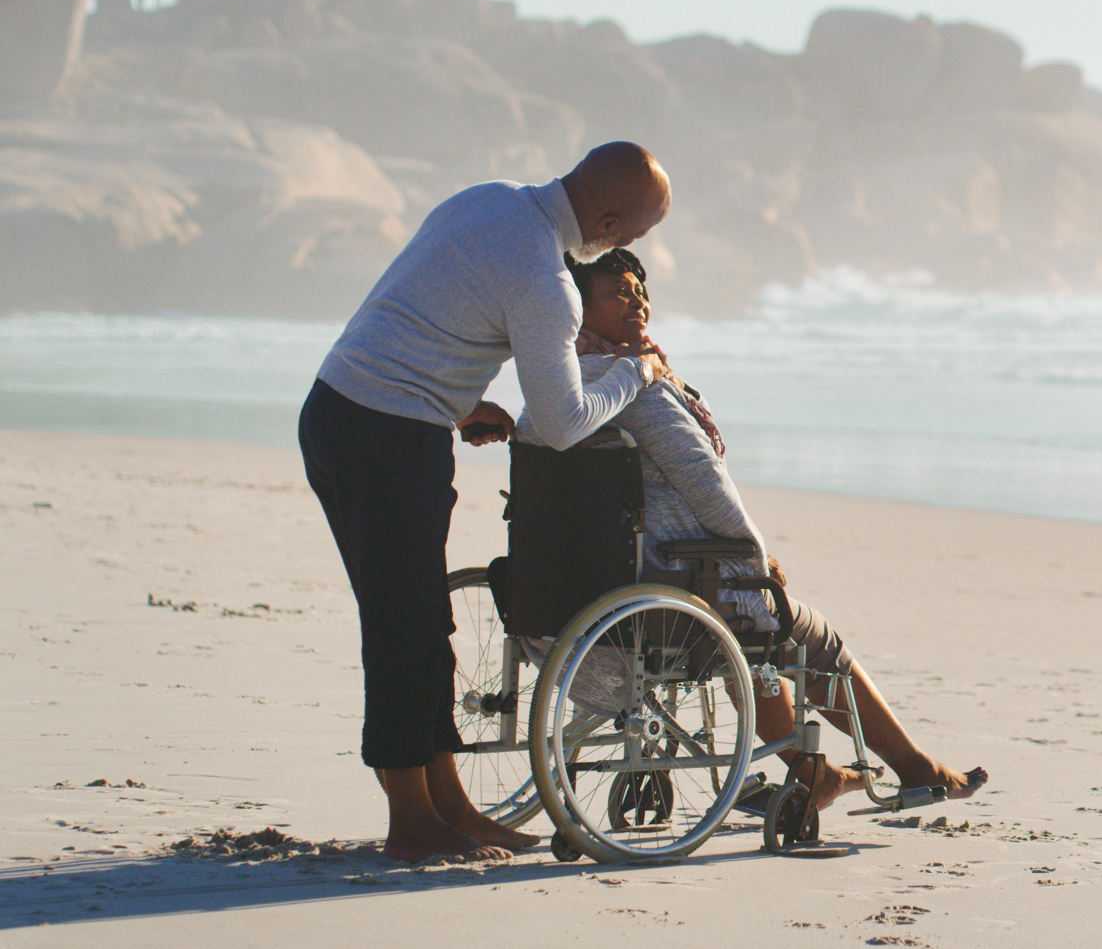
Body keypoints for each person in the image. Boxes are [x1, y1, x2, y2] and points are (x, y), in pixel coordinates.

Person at [298, 143, 676, 863]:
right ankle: (412, 822)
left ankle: (451, 807)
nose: (629, 247)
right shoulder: (545, 277)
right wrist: (636, 369)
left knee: (422, 617)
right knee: (402, 623)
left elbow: (421, 308)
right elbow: (564, 423)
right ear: (604, 218)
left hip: (347, 410)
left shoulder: (489, 197)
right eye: (632, 232)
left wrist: (463, 399)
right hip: (384, 432)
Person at [515, 249, 988, 808]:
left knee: (750, 630)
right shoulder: (641, 385)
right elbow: (705, 484)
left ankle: (814, 772)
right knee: (803, 637)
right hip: (666, 582)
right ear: (577, 307)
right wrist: (757, 561)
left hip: (567, 589)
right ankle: (913, 766)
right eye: (618, 292)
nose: (637, 301)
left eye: (640, 291)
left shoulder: (552, 393)